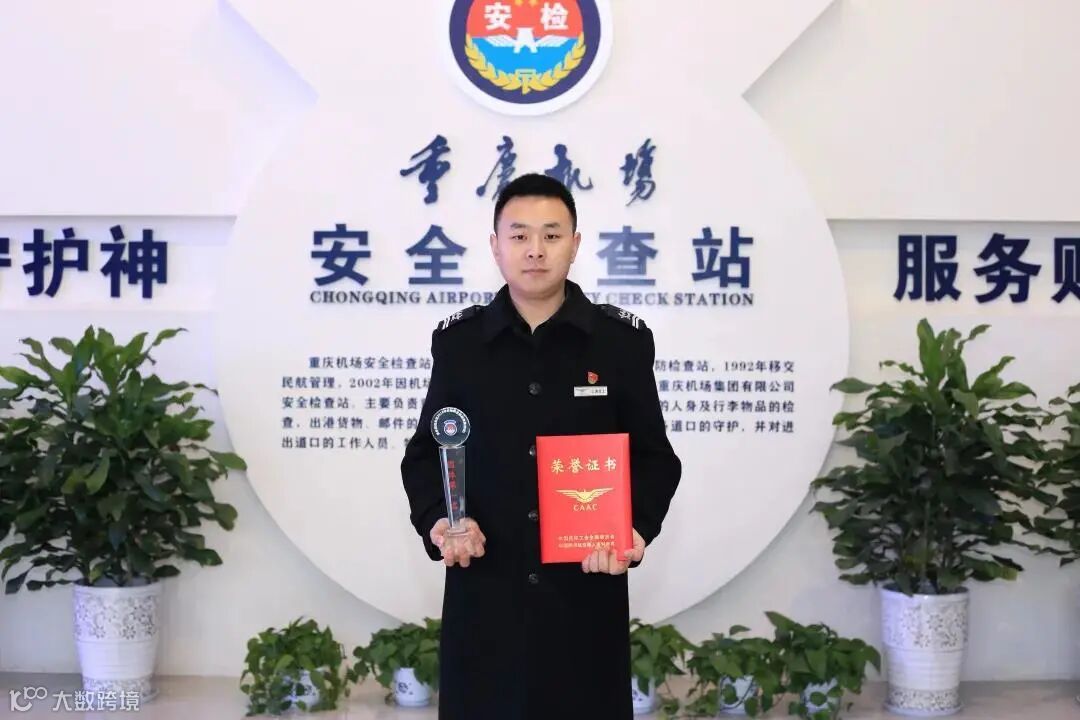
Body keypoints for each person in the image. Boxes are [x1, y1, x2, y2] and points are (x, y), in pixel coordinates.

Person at [401, 173, 682, 720]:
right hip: (486, 594)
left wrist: (634, 527)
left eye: (552, 236)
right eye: (519, 235)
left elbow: (654, 458)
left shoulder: (619, 343)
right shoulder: (460, 344)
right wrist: (442, 520)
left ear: (575, 245)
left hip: (584, 595)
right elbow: (425, 456)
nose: (535, 250)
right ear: (495, 246)